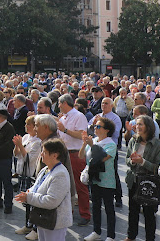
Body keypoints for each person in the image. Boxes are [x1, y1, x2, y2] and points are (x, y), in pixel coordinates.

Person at [14, 138, 72, 241]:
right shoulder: (46, 169)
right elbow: (37, 187)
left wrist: (29, 197)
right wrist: (28, 192)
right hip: (44, 220)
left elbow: (51, 201)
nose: (41, 154)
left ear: (55, 155)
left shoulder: (60, 174)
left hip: (55, 222)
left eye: (44, 152)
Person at [125, 114, 160, 241]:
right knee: (133, 211)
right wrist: (133, 161)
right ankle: (131, 236)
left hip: (149, 183)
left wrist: (142, 162)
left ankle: (150, 239)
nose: (137, 126)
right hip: (134, 180)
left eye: (140, 124)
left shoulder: (158, 145)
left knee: (149, 214)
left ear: (148, 127)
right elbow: (127, 160)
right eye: (136, 124)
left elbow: (159, 169)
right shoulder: (133, 140)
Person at [80, 117, 117, 241]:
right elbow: (81, 156)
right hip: (94, 179)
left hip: (107, 181)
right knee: (95, 207)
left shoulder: (111, 144)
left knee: (108, 208)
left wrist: (92, 146)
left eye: (98, 126)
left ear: (107, 130)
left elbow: (101, 159)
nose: (95, 128)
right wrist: (85, 143)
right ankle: (96, 231)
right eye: (95, 126)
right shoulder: (94, 140)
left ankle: (111, 236)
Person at [56, 93, 90, 227]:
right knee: (66, 185)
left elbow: (81, 134)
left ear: (65, 103)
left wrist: (65, 130)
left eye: (59, 104)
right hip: (65, 153)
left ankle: (85, 214)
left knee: (80, 186)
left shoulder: (79, 116)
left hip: (76, 154)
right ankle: (68, 211)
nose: (58, 106)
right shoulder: (64, 117)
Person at [13, 115, 41, 238]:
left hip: (31, 175)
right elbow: (16, 154)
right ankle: (27, 225)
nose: (25, 126)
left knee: (32, 202)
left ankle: (34, 228)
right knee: (26, 203)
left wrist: (20, 145)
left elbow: (29, 159)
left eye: (28, 124)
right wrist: (17, 145)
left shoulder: (38, 142)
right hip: (22, 173)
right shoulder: (25, 137)